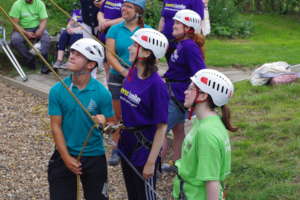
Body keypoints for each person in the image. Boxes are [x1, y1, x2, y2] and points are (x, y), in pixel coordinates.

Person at [48, 38, 114, 200]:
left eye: (78, 54)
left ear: (91, 64)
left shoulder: (102, 93)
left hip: (94, 155)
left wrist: (104, 120)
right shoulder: (58, 90)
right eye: (72, 52)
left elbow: (113, 124)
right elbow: (55, 126)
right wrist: (66, 158)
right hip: (64, 153)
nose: (71, 56)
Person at [119, 28, 169, 200]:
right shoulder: (132, 73)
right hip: (127, 142)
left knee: (145, 196)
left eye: (135, 45)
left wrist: (151, 162)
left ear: (146, 52)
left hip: (143, 148)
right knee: (133, 193)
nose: (129, 48)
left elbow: (162, 127)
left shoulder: (157, 86)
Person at [172, 69, 238, 200]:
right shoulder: (206, 120)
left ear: (203, 96)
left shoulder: (207, 133)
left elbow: (212, 181)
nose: (185, 92)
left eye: (191, 89)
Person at [161, 9, 206, 172]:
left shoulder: (189, 47)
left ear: (189, 28)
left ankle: (153, 166)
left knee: (159, 131)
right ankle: (177, 164)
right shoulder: (181, 44)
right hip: (174, 91)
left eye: (178, 23)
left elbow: (200, 73)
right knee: (178, 130)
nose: (173, 26)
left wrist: (191, 95)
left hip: (178, 96)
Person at [105, 0, 150, 166]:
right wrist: (123, 71)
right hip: (118, 77)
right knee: (117, 115)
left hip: (140, 78)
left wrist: (136, 72)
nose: (124, 8)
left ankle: (138, 146)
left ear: (138, 11)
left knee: (137, 114)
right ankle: (117, 148)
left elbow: (153, 56)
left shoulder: (147, 31)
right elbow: (109, 55)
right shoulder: (114, 29)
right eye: (123, 5)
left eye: (129, 6)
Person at [9, 0, 50, 74]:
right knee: (15, 39)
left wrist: (40, 30)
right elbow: (15, 24)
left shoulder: (40, 3)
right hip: (22, 28)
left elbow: (44, 20)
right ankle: (30, 59)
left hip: (37, 27)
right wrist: (25, 33)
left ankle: (45, 63)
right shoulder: (17, 4)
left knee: (46, 38)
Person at [97, 0, 124, 83]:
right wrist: (101, 21)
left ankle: (117, 80)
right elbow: (100, 12)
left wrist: (108, 23)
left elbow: (125, 18)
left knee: (114, 57)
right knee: (106, 58)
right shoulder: (106, 1)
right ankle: (108, 80)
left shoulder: (125, 2)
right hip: (104, 32)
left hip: (117, 34)